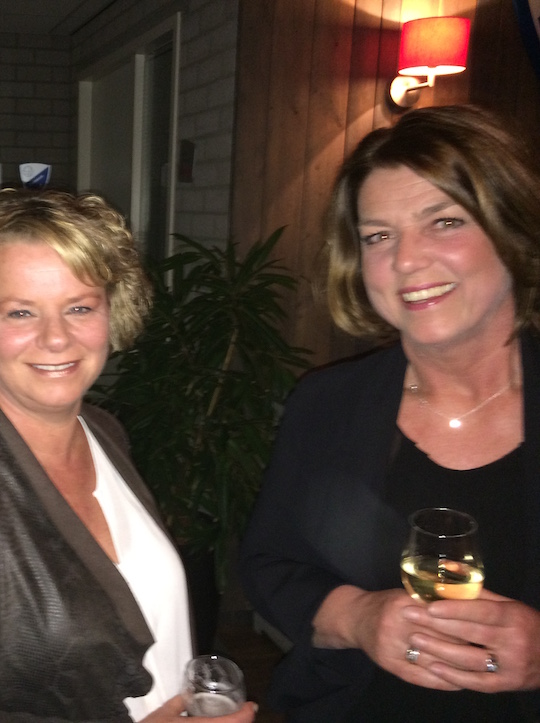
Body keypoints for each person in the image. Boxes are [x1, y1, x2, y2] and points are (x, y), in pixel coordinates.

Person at [0, 187, 257, 722]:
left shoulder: (104, 432)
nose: (57, 339)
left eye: (79, 308)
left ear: (111, 312)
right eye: (21, 312)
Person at [238, 104, 540, 721]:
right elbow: (268, 565)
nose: (405, 260)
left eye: (444, 222)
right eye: (378, 236)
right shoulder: (326, 405)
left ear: (512, 231)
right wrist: (357, 616)